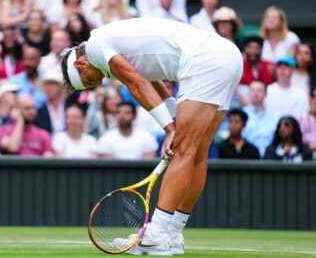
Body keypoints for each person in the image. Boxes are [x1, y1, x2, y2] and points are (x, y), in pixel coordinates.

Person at [60, 17, 243, 255]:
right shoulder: (112, 50)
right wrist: (174, 119)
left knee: (184, 150)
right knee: (197, 151)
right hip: (227, 56)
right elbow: (151, 81)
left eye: (88, 81)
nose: (95, 83)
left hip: (204, 61)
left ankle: (155, 235)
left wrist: (170, 129)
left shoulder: (95, 48)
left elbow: (138, 85)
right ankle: (172, 233)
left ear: (80, 65)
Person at [243, 81, 280, 157]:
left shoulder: (275, 117)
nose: (255, 93)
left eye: (259, 90)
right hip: (246, 159)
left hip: (270, 159)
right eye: (252, 90)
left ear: (266, 94)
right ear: (248, 93)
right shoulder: (241, 115)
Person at [35, 70, 67, 134]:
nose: (48, 88)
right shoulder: (40, 111)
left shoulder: (69, 107)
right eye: (46, 85)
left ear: (60, 87)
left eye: (52, 84)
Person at [297, 90, 316, 154]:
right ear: (309, 99)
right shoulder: (300, 119)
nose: (315, 101)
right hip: (305, 156)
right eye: (313, 97)